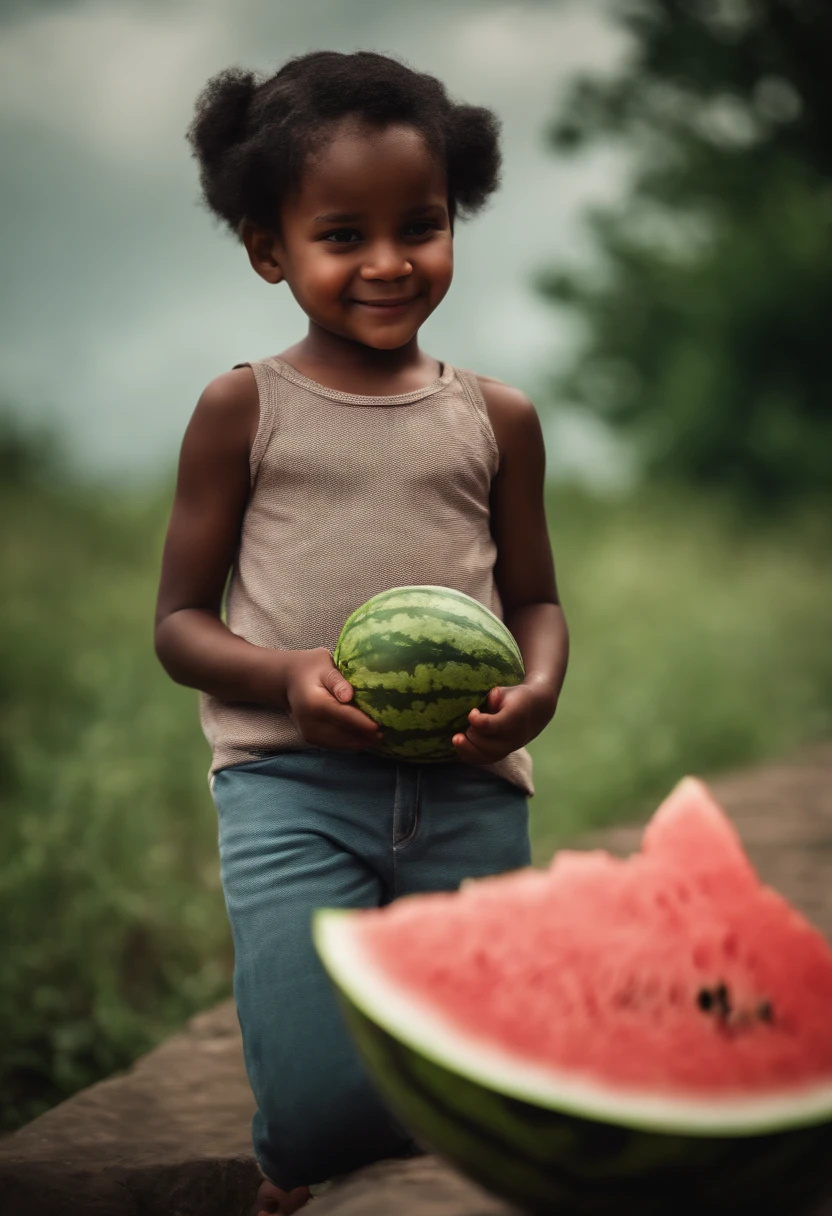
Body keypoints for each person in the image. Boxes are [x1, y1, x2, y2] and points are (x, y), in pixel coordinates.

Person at [154, 49, 569, 1216]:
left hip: (468, 792)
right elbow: (178, 624)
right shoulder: (245, 407)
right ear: (268, 248)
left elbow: (534, 599)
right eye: (343, 235)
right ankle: (297, 1178)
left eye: (421, 226)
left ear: (454, 221)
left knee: (471, 1086)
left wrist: (533, 689)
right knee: (320, 1110)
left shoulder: (496, 417)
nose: (389, 263)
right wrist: (285, 675)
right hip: (289, 791)